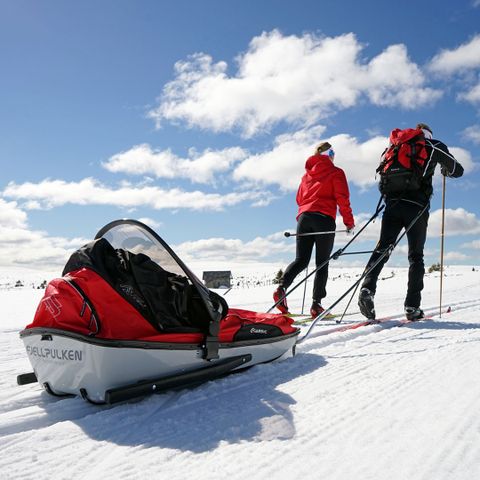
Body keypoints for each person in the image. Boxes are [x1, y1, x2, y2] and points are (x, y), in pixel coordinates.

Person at [358, 123, 464, 321]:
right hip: (417, 206)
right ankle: (412, 306)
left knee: (382, 248)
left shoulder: (393, 147)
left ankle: (367, 288)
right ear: (428, 134)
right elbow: (458, 170)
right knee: (416, 256)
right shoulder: (433, 146)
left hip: (392, 204)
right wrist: (445, 170)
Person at [273, 141, 355, 317]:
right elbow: (342, 198)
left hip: (304, 218)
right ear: (330, 155)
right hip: (324, 219)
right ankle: (316, 305)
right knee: (322, 263)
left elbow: (298, 199)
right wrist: (349, 222)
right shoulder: (336, 172)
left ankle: (281, 288)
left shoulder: (306, 176)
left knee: (301, 260)